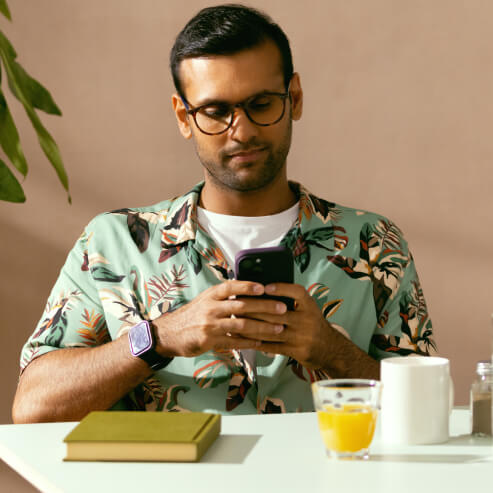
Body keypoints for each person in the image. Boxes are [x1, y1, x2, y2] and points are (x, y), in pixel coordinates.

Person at [12, 4, 436, 422]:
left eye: (262, 103)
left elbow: (429, 414)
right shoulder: (112, 243)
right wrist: (158, 338)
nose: (243, 131)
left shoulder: (375, 243)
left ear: (296, 98)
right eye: (216, 111)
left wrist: (329, 349)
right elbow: (33, 408)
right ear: (184, 116)